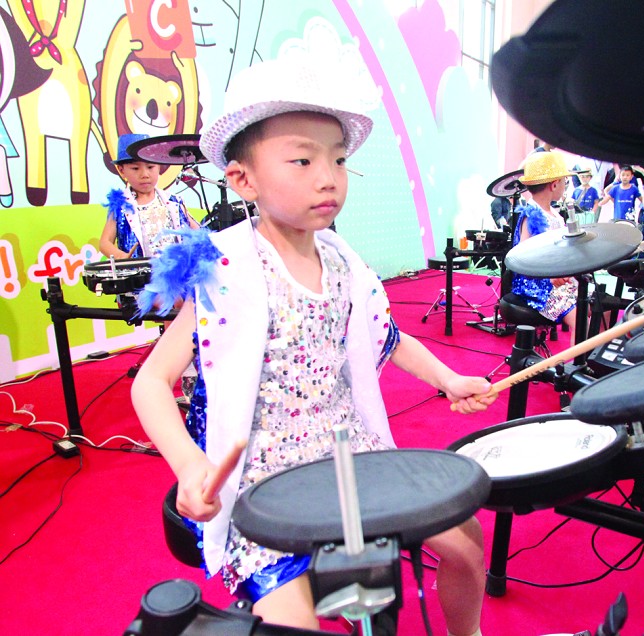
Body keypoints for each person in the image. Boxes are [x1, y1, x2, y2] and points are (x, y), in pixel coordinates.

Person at [130, 58, 496, 635]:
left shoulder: (344, 262)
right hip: (265, 474)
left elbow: (387, 337)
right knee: (293, 624)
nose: (329, 178)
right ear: (243, 180)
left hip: (351, 449)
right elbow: (151, 382)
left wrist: (449, 379)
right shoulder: (224, 269)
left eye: (339, 160)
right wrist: (189, 464)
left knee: (467, 543)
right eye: (303, 160)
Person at [510, 151, 578, 346]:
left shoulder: (555, 215)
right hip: (537, 283)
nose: (565, 186)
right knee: (579, 320)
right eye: (565, 181)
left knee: (597, 303)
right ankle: (576, 362)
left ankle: (592, 357)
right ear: (554, 184)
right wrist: (549, 276)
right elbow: (523, 257)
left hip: (557, 278)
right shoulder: (532, 214)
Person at [99, 133, 199, 260]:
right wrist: (122, 257)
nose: (145, 174)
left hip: (174, 270)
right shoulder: (121, 205)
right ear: (121, 170)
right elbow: (105, 243)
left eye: (150, 167)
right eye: (135, 168)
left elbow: (199, 233)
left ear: (159, 166)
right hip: (138, 271)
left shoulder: (174, 201)